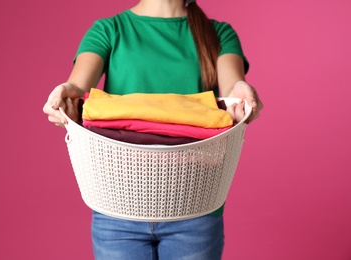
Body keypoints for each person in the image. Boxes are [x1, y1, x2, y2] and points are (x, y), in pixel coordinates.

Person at [43, 0, 263, 259]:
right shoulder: (109, 29)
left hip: (195, 205)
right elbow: (77, 86)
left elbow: (231, 90)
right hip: (118, 206)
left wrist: (240, 96)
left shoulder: (219, 33)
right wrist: (66, 98)